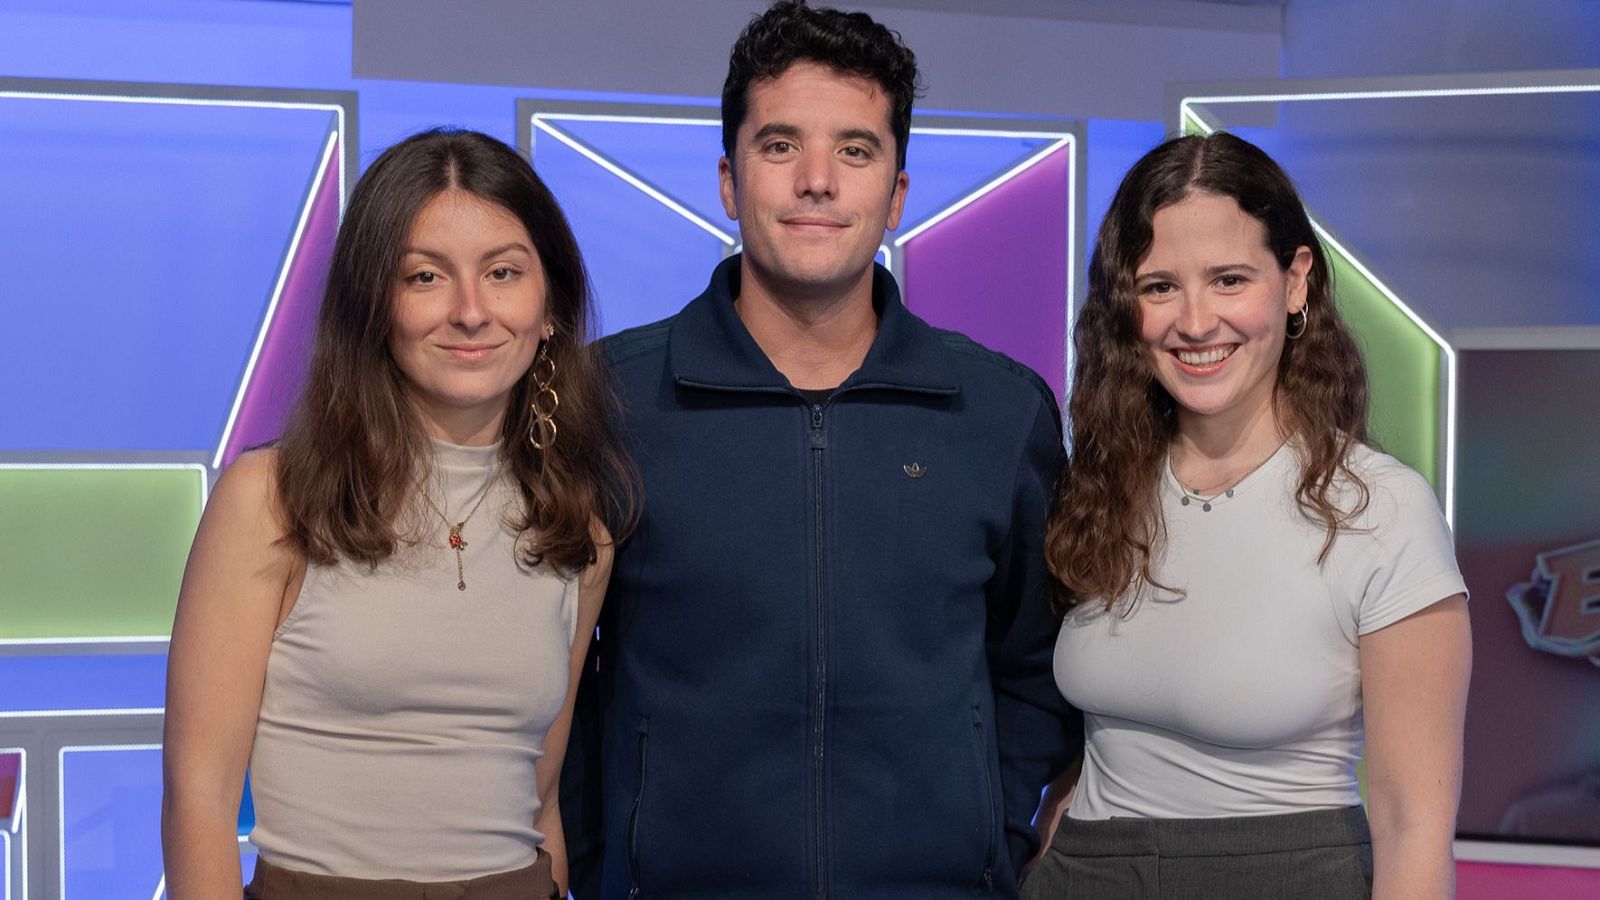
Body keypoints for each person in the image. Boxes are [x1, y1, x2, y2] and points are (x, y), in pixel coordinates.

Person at [561, 2, 1080, 897]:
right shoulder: (608, 400)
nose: (816, 181)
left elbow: (1042, 667)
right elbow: (549, 677)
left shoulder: (998, 412)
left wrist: (985, 838)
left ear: (898, 193)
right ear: (728, 181)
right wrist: (610, 859)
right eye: (779, 146)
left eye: (855, 150)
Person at [161, 129, 633, 899]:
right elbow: (199, 801)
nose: (471, 311)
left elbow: (540, 801)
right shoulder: (272, 497)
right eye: (425, 277)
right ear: (373, 306)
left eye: (504, 273)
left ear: (550, 306)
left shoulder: (577, 531)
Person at [1031, 132, 1472, 898]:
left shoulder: (1381, 510)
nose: (1195, 322)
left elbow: (1413, 827)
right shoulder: (1098, 486)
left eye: (1229, 279)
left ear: (1295, 281)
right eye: (1159, 286)